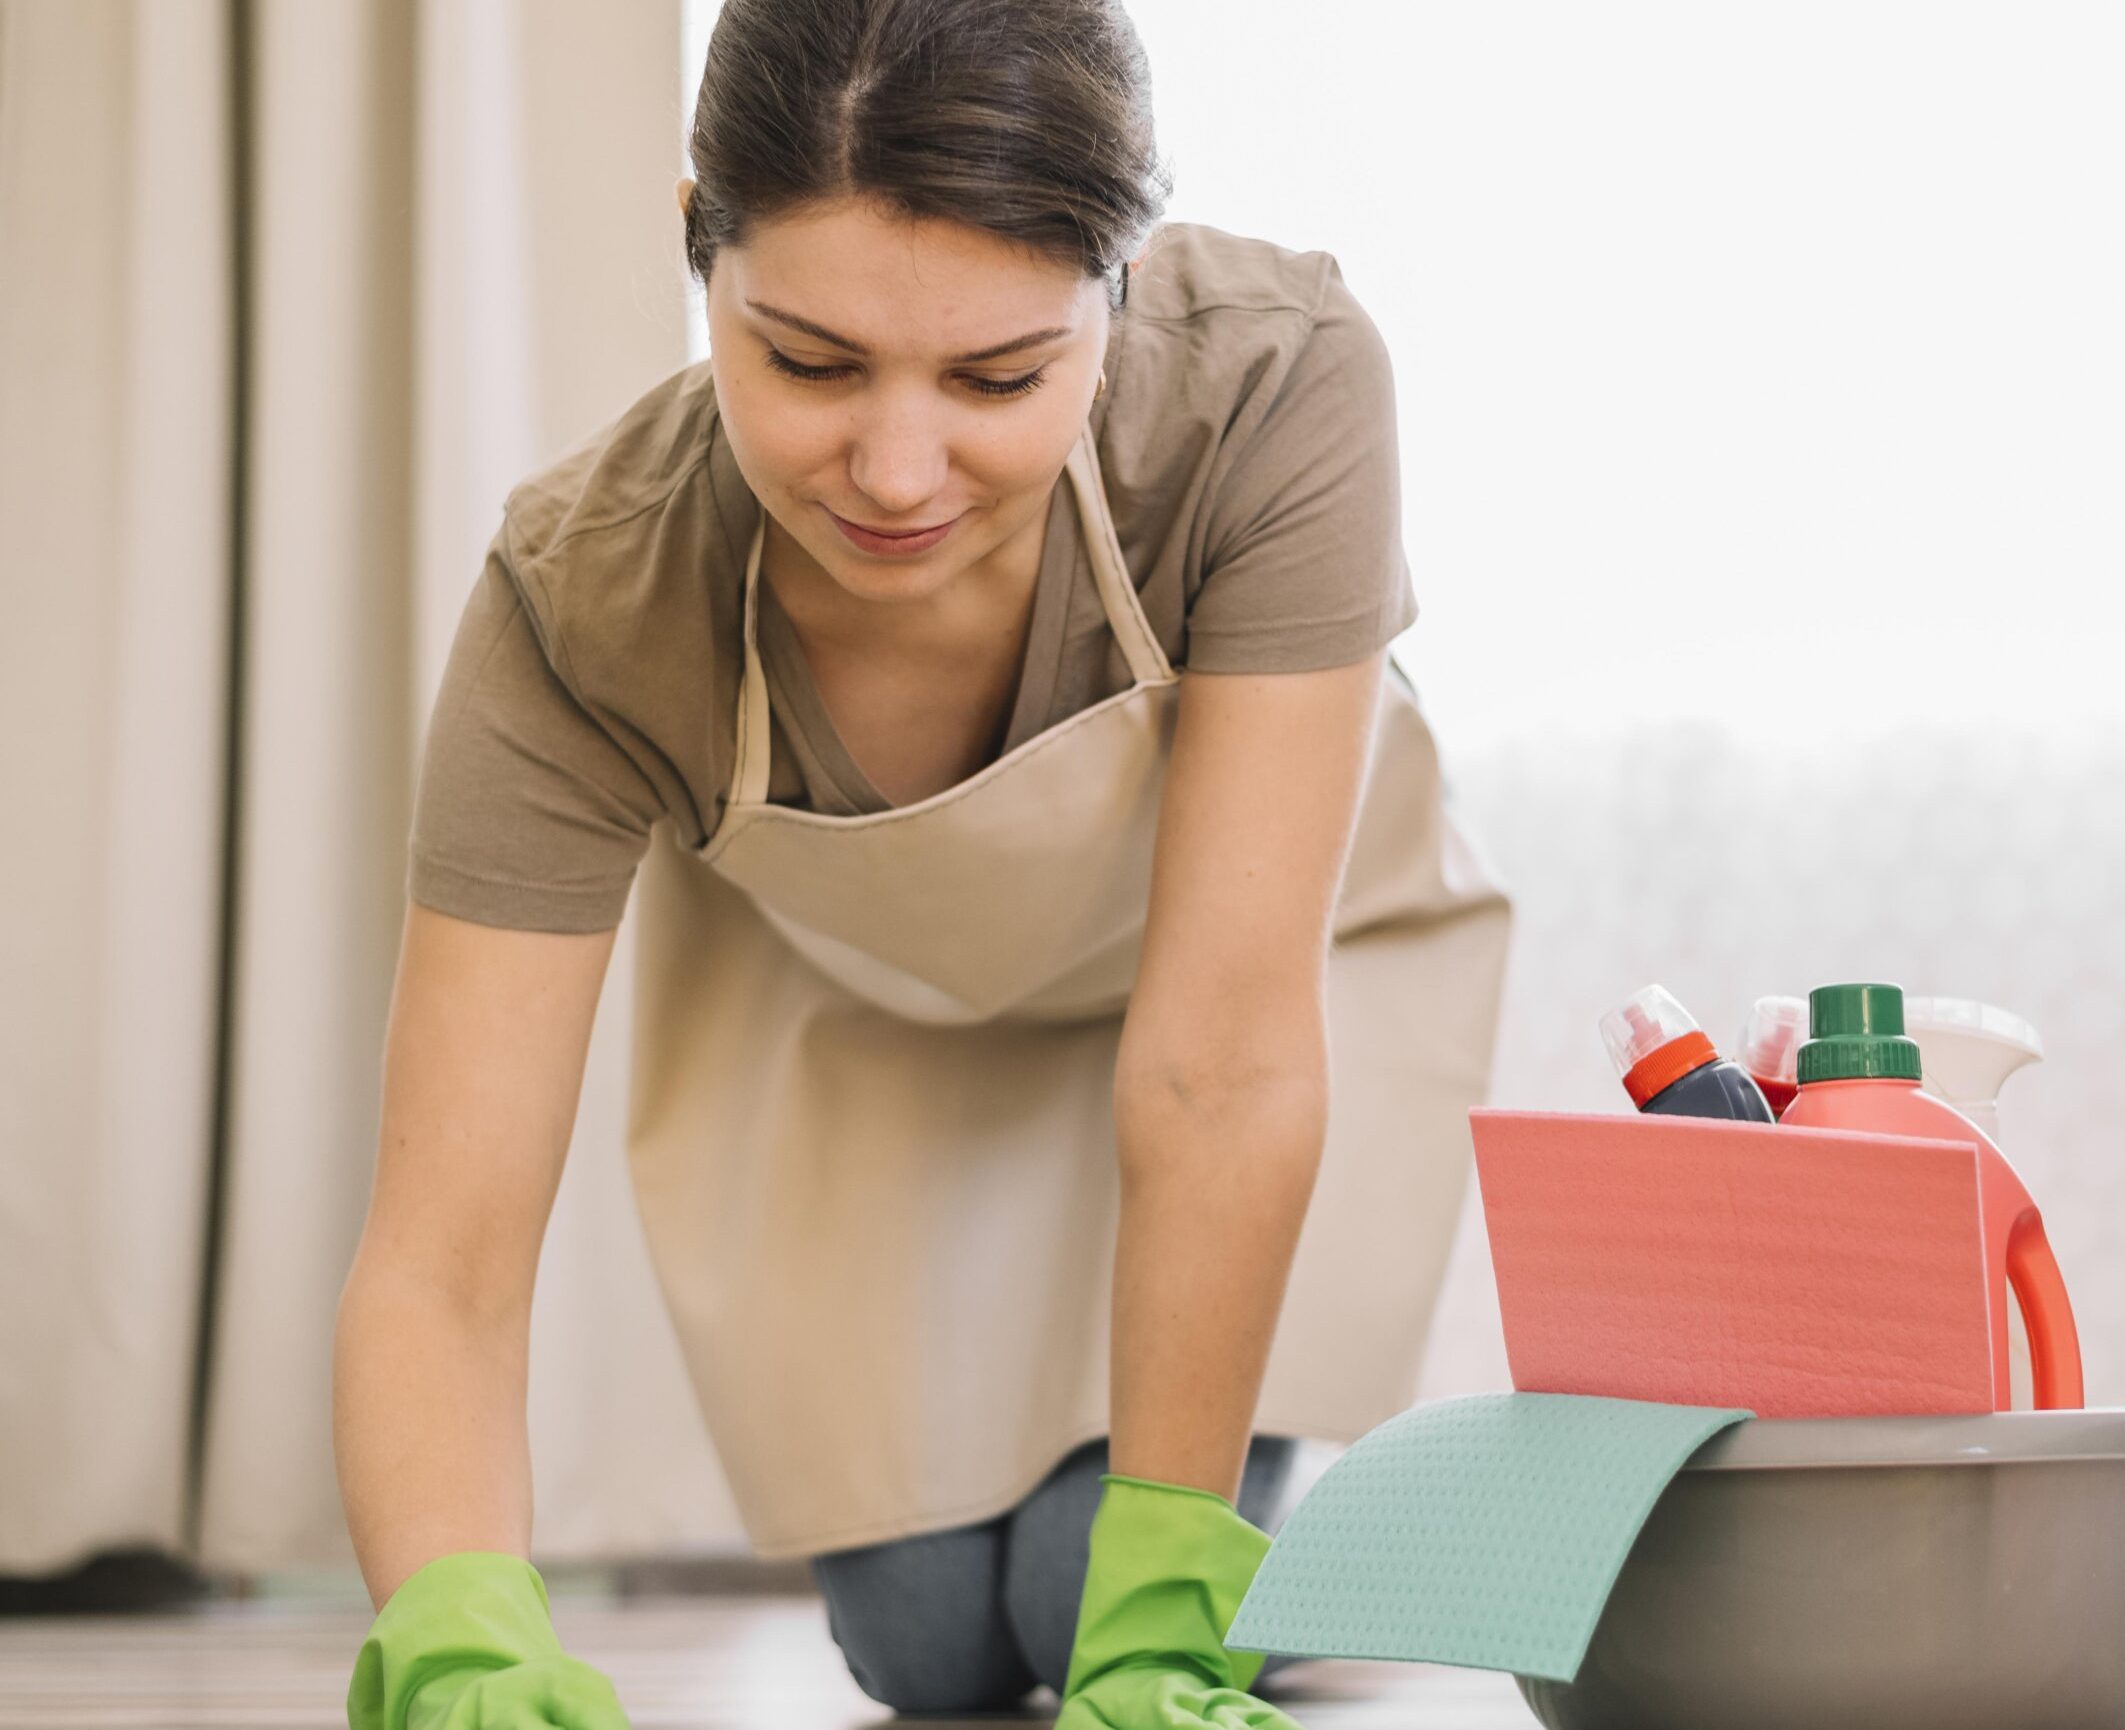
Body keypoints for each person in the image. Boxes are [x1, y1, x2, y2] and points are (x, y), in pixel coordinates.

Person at [332, 0, 1512, 1724]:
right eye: (810, 363)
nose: (895, 474)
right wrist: (458, 1641)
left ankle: (1307, 1507)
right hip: (895, 1037)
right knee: (928, 1648)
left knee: (1086, 1591)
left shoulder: (1269, 390)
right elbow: (442, 1251)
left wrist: (1159, 1625)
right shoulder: (587, 598)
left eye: (998, 378)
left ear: (1119, 282)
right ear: (700, 246)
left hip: (1248, 1011)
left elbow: (1221, 1064)